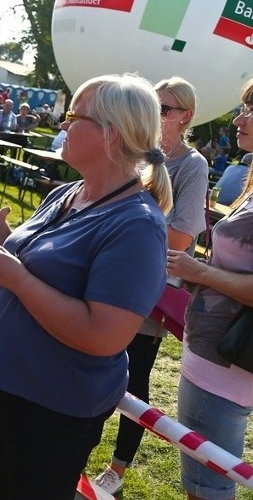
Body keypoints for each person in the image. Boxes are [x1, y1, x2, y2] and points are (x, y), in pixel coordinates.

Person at [0, 73, 172, 498]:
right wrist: (4, 236)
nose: (61, 124)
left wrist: (18, 279)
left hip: (49, 407)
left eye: (73, 116)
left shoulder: (137, 225)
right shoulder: (70, 192)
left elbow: (104, 335)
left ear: (109, 134)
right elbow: (47, 268)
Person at [94, 76, 209, 495]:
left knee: (133, 378)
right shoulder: (138, 151)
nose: (156, 114)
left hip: (151, 288)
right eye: (152, 105)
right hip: (110, 274)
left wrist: (123, 229)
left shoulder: (192, 165)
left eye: (165, 108)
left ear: (186, 117)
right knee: (93, 361)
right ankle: (81, 444)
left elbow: (181, 239)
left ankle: (117, 471)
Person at [168, 79, 253, 500]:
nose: (239, 118)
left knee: (208, 487)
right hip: (217, 351)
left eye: (251, 109)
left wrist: (199, 273)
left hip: (225, 363)